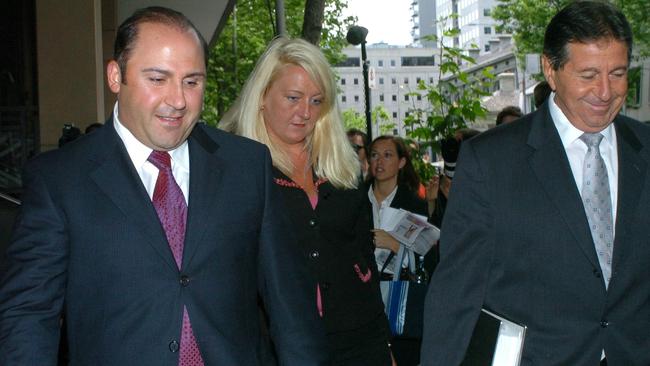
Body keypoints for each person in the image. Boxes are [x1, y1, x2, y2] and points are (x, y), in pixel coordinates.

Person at [0, 7, 328, 365]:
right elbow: (28, 314)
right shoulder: (60, 180)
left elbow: (291, 309)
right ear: (115, 76)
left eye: (192, 81)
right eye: (158, 79)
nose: (178, 101)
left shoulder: (246, 166)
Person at [421, 2, 650, 365]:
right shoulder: (491, 162)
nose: (605, 92)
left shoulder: (645, 149)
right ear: (551, 69)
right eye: (588, 75)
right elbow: (456, 294)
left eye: (618, 73)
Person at [222, 37, 392, 366]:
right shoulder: (235, 171)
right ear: (261, 96)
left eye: (316, 101)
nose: (305, 112)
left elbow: (363, 260)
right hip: (276, 346)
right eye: (293, 98)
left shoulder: (341, 164)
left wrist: (384, 344)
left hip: (359, 340)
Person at [366, 135, 430, 365]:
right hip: (363, 291)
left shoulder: (413, 204)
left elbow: (426, 257)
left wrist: (394, 244)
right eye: (374, 155)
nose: (379, 162)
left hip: (398, 293)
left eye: (387, 155)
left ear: (401, 162)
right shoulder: (355, 200)